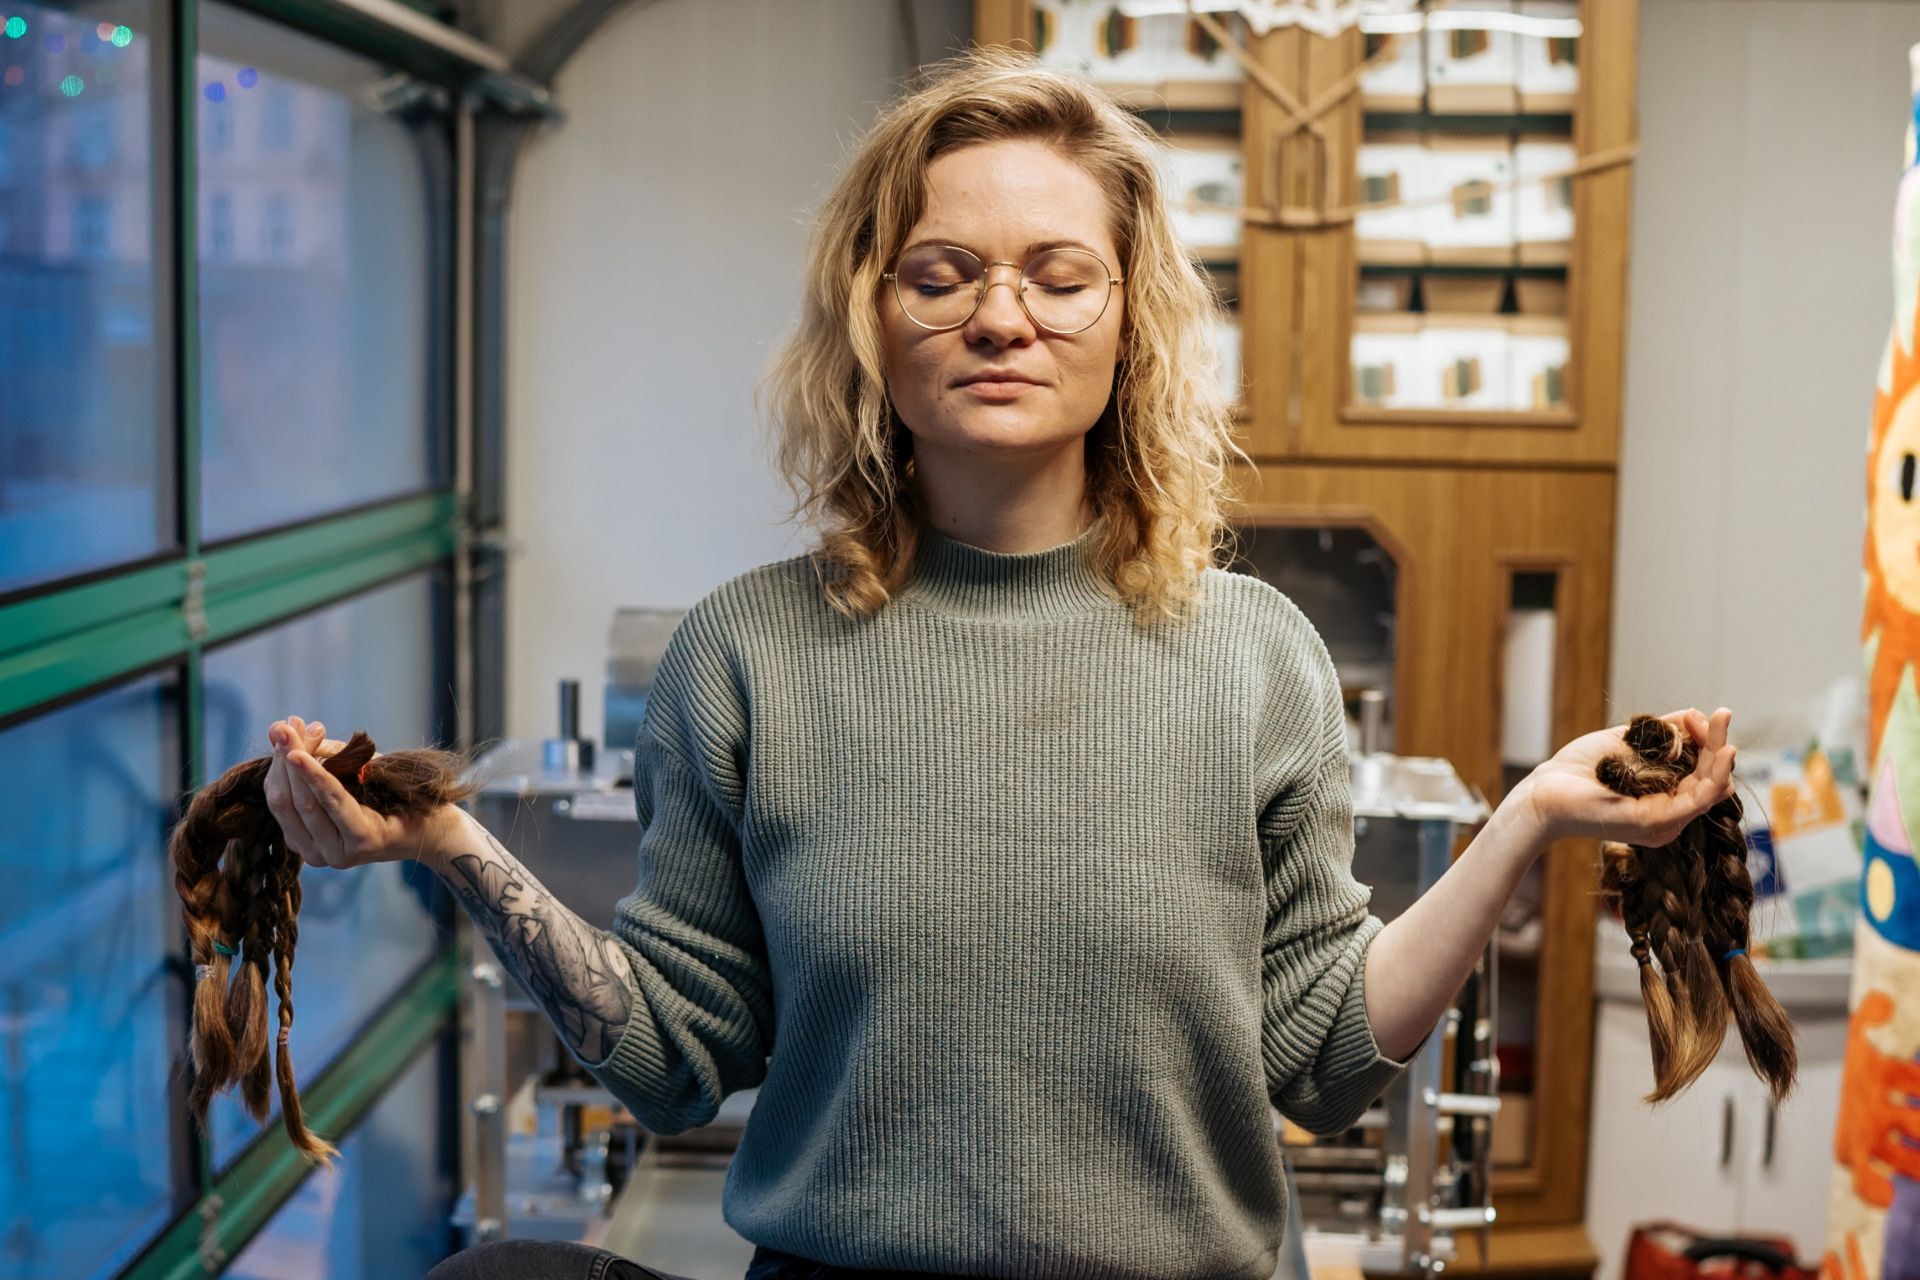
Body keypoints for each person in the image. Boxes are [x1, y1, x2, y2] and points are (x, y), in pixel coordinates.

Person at [264, 47, 1737, 1280]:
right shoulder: (749, 656)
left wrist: (1532, 814)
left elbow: (1322, 1056)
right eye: (943, 273)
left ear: (1128, 324)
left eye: (1060, 275)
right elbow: (669, 1057)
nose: (1002, 315)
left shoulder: (1252, 655)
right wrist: (450, 840)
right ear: (873, 317)